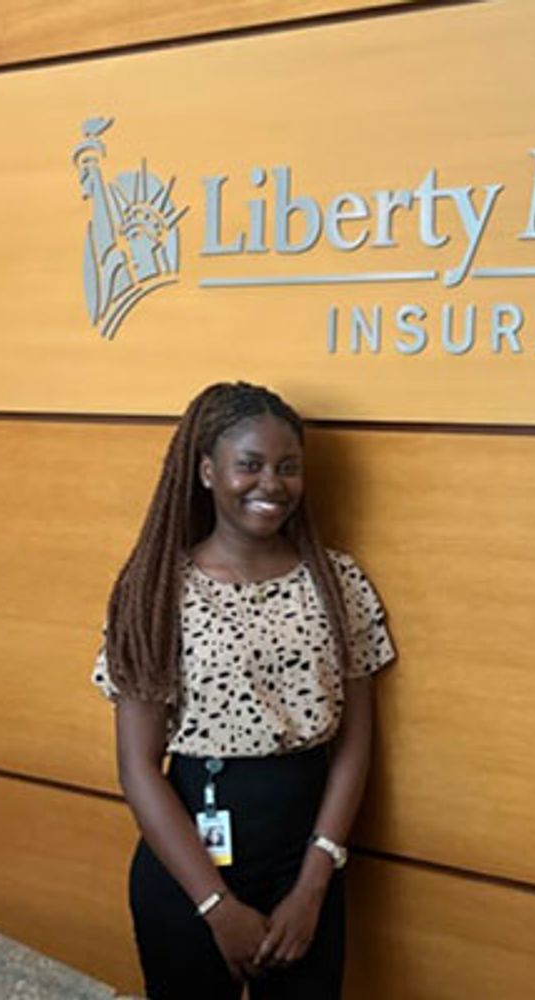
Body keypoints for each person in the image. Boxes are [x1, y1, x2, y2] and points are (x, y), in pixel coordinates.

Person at [91, 381, 395, 1000]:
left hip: (307, 857)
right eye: (249, 466)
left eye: (288, 468)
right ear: (207, 471)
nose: (271, 485)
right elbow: (138, 766)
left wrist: (315, 881)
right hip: (188, 869)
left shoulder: (338, 582)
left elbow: (356, 745)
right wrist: (215, 906)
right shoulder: (153, 591)